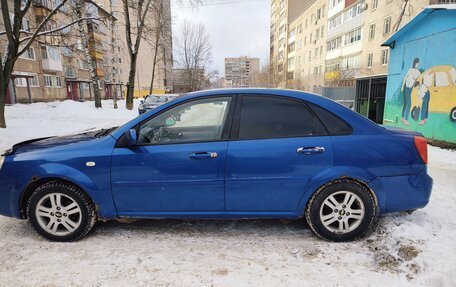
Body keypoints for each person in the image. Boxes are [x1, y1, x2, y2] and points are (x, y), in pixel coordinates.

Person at [401, 58, 421, 126]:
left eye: (418, 63)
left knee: (407, 103)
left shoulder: (418, 72)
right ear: (415, 63)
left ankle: (403, 118)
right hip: (406, 87)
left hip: (410, 88)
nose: (417, 64)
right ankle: (405, 119)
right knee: (407, 103)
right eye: (417, 63)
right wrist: (402, 86)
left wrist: (418, 86)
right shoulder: (410, 70)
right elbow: (405, 77)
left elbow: (420, 79)